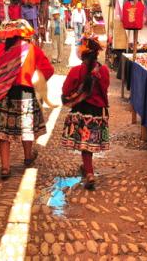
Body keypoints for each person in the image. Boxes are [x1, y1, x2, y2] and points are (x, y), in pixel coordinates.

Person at [0, 20, 54, 179]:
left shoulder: (1, 49)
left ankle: (5, 168)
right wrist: (36, 82)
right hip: (26, 93)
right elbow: (48, 70)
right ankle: (28, 157)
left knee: (4, 134)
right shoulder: (32, 50)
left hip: (5, 94)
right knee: (26, 128)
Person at [61, 36, 110, 190]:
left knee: (85, 145)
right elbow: (105, 88)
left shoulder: (76, 71)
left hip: (81, 112)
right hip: (96, 112)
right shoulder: (104, 70)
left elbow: (66, 90)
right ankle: (88, 169)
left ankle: (89, 172)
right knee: (89, 145)